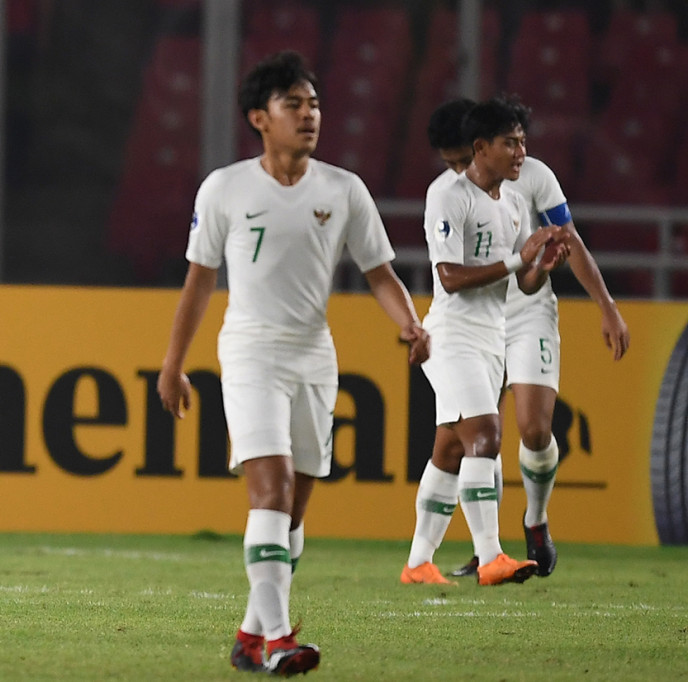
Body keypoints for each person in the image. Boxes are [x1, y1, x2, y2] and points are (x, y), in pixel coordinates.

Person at [157, 51, 430, 675]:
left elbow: (380, 273)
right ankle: (280, 641)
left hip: (315, 356)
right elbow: (199, 282)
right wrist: (173, 364)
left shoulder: (343, 189)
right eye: (294, 105)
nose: (309, 116)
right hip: (250, 350)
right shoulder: (225, 187)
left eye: (314, 105)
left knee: (293, 514)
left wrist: (410, 322)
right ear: (260, 117)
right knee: (272, 492)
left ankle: (251, 639)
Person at [400, 98, 630, 584]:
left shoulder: (520, 190)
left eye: (461, 159)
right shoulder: (450, 193)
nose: (459, 169)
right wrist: (516, 263)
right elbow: (451, 276)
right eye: (453, 163)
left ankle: (431, 557)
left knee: (476, 443)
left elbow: (538, 264)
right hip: (460, 328)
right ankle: (489, 556)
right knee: (484, 435)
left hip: (514, 320)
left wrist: (543, 273)